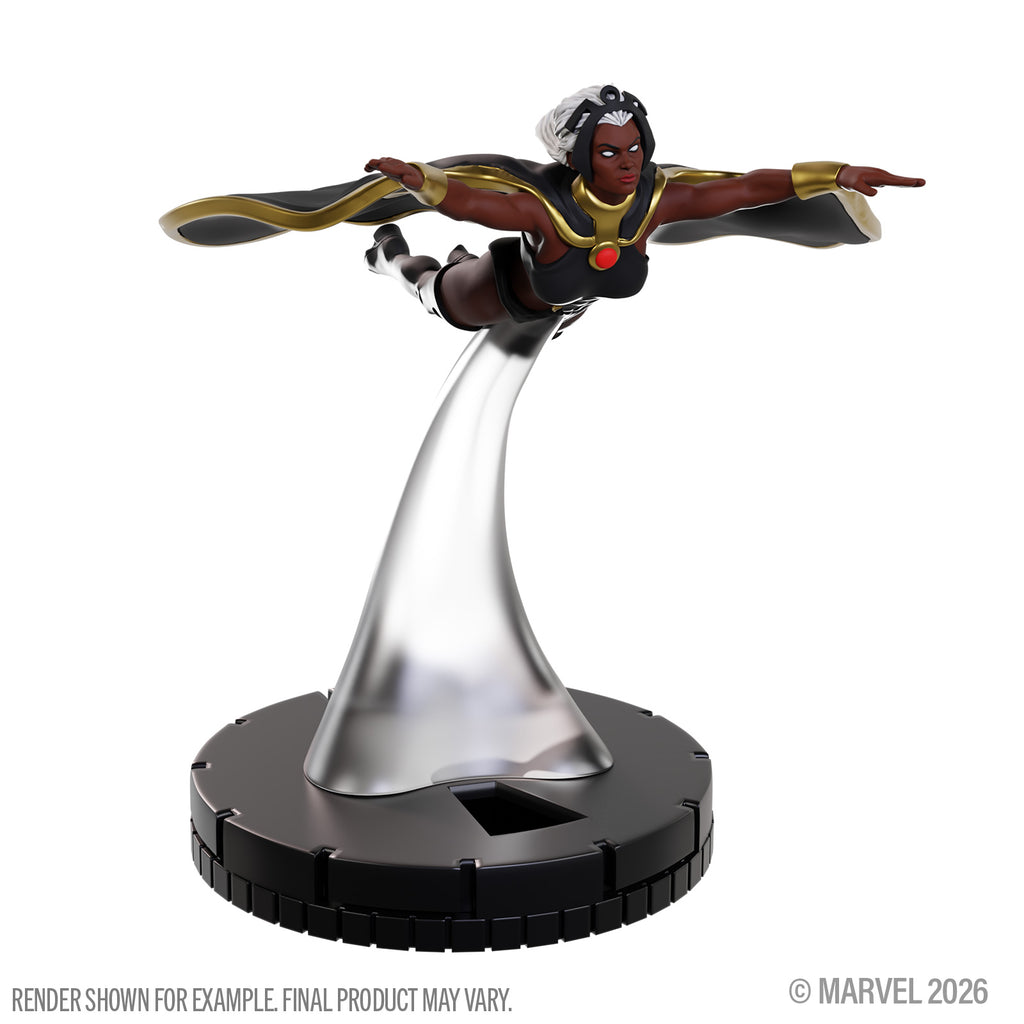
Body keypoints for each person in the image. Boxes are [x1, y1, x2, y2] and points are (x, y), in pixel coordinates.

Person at [362, 84, 924, 332]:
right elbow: (473, 203)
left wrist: (836, 174)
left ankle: (451, 260)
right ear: (577, 157)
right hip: (492, 294)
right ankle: (388, 256)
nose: (628, 162)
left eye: (634, 147)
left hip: (566, 304)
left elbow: (747, 187)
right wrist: (424, 182)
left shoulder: (657, 200)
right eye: (608, 152)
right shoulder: (543, 210)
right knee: (427, 286)